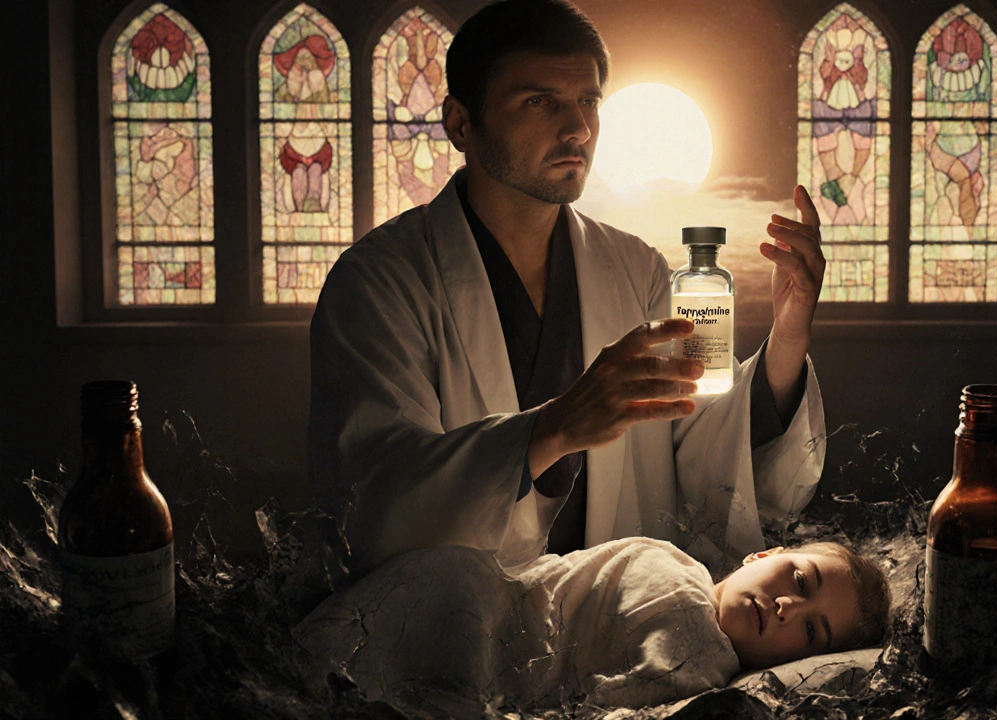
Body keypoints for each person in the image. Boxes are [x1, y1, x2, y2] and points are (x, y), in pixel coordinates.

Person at [306, 0, 828, 581]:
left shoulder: (636, 270)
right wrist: (552, 429)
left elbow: (708, 448)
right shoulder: (380, 283)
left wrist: (788, 336)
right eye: (539, 101)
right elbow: (374, 501)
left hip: (619, 631)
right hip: (455, 645)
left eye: (587, 102)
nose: (576, 128)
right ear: (459, 122)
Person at [294, 536, 890, 710]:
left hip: (445, 579)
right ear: (761, 556)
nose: (788, 606)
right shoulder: (694, 635)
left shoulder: (675, 559)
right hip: (462, 612)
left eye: (811, 631)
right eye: (800, 581)